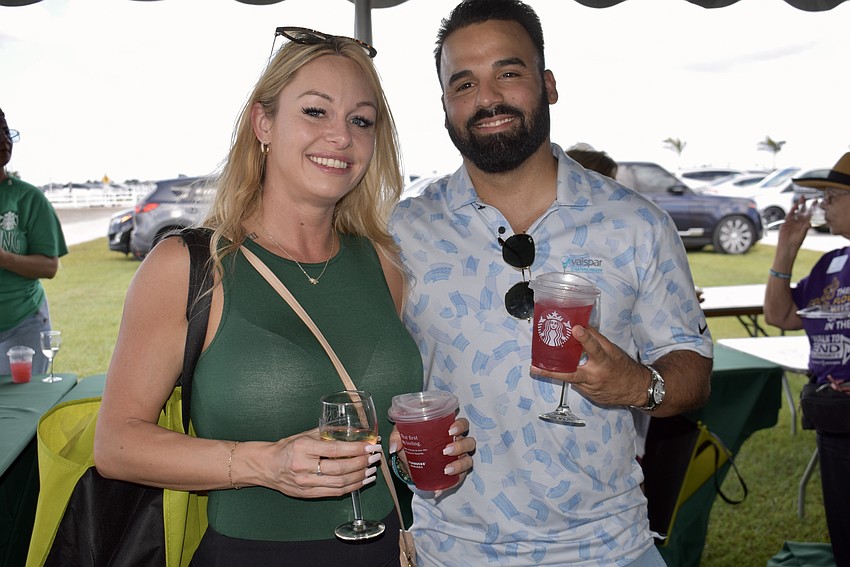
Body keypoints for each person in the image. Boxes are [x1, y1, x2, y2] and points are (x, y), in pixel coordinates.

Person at [93, 28, 474, 566]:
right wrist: (265, 464)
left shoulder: (383, 264)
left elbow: (376, 442)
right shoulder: (189, 266)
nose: (341, 136)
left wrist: (419, 453)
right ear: (263, 123)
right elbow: (116, 445)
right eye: (316, 112)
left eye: (360, 121)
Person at [388, 1, 713, 565]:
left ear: (548, 84)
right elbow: (370, 372)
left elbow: (692, 366)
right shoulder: (401, 231)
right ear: (444, 105)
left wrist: (641, 386)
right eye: (464, 83)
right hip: (451, 551)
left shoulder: (635, 223)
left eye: (508, 73)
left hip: (609, 549)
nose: (487, 97)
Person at [764, 152, 850, 567]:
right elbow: (779, 315)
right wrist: (785, 249)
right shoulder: (833, 263)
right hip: (836, 417)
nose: (823, 205)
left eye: (832, 196)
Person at [0, 107, 68, 376]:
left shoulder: (28, 198)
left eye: (6, 132)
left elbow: (49, 267)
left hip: (24, 323)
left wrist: (4, 258)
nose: (4, 140)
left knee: (24, 405)